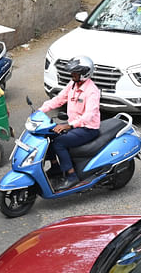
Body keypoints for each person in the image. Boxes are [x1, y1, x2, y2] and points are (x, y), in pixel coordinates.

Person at [39, 56, 101, 191]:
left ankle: (72, 176)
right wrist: (39, 111)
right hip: (74, 125)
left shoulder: (92, 91)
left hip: (88, 129)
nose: (72, 75)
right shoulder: (72, 84)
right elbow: (59, 99)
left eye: (75, 72)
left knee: (59, 142)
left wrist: (68, 126)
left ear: (84, 73)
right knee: (47, 135)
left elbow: (88, 116)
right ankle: (55, 168)